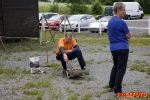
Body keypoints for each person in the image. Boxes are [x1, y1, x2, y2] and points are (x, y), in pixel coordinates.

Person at [107, 2, 132, 94]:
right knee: (121, 69)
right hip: (122, 47)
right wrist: (130, 34)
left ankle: (111, 86)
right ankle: (118, 90)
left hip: (113, 48)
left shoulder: (110, 22)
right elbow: (128, 35)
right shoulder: (121, 22)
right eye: (123, 10)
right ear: (118, 10)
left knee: (115, 66)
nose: (125, 12)